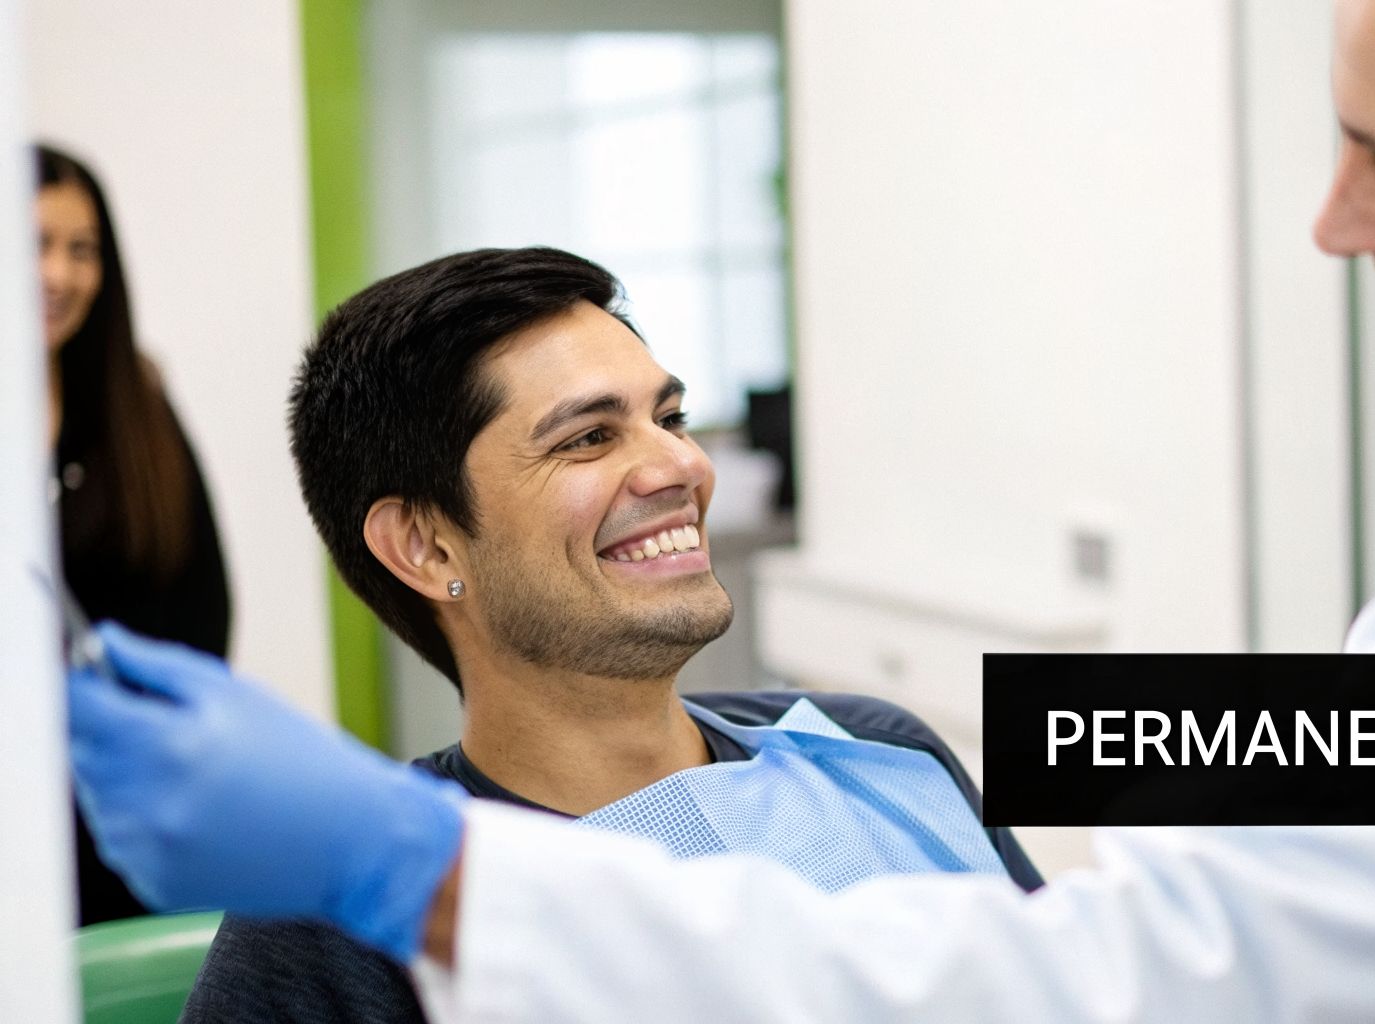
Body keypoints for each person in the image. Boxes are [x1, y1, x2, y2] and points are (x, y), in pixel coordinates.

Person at [66, 0, 1375, 1020]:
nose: (1337, 223)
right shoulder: (311, 949)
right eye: (588, 435)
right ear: (418, 539)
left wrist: (421, 865)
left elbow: (1116, 973)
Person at [176, 247, 1040, 1024]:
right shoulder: (347, 917)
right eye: (589, 438)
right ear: (427, 544)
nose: (681, 467)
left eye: (668, 419)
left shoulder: (874, 753)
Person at [37, 143, 232, 926]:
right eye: (34, 244)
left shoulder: (135, 400)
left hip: (126, 799)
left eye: (82, 250)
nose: (59, 275)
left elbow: (200, 607)